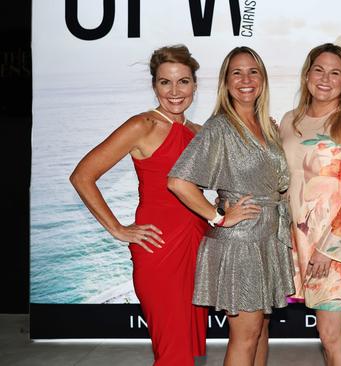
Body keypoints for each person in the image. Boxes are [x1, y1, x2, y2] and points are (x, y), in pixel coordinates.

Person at [69, 45, 208, 366]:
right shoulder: (141, 126)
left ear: (195, 86)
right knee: (173, 350)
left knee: (185, 348)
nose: (175, 91)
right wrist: (118, 229)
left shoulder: (198, 132)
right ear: (154, 85)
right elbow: (82, 176)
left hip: (197, 245)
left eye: (183, 82)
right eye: (165, 82)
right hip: (159, 247)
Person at [167, 46, 295, 366]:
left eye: (253, 71)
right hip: (241, 244)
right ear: (225, 82)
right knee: (246, 336)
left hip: (267, 239)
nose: (245, 79)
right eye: (236, 72)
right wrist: (219, 217)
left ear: (263, 80)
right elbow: (178, 181)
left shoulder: (267, 125)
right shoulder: (219, 127)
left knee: (262, 329)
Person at [279, 43, 341, 366]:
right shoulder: (289, 120)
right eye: (318, 70)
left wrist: (328, 248)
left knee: (332, 335)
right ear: (307, 75)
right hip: (301, 241)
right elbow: (285, 182)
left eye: (335, 72)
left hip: (339, 244)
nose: (325, 78)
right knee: (330, 337)